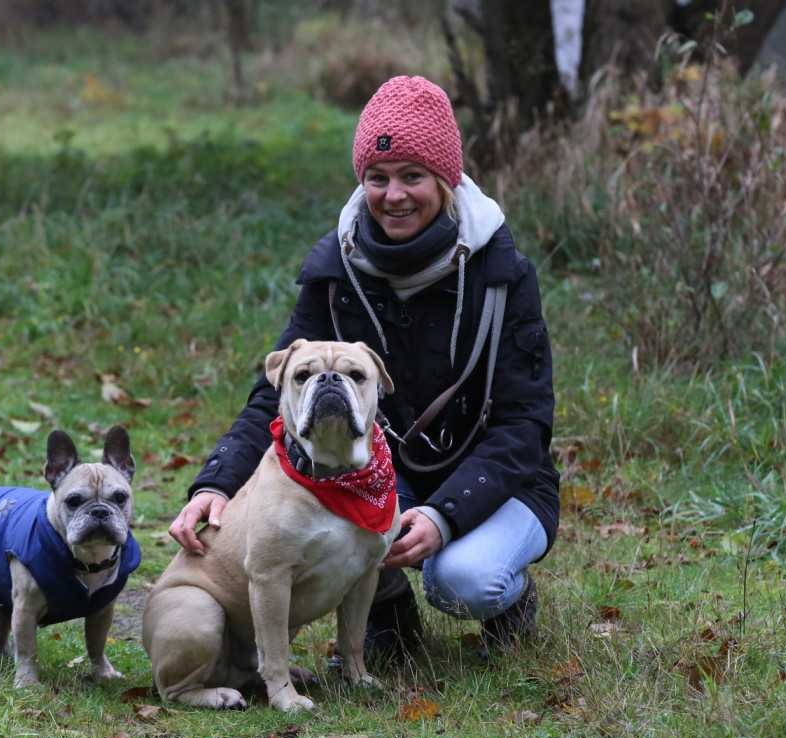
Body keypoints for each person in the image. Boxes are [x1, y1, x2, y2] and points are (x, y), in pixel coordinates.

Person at [168, 75, 559, 659]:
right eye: (377, 178)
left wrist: (445, 514)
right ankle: (388, 617)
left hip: (500, 479)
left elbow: (526, 424)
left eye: (412, 176)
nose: (393, 195)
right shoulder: (334, 271)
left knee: (462, 582)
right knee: (318, 496)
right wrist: (215, 483)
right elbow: (276, 397)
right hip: (375, 471)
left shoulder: (502, 274)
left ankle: (509, 602)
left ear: (445, 181)